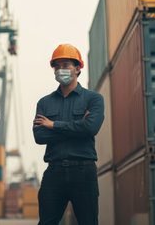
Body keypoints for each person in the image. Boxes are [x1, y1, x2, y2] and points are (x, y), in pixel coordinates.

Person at [33, 44, 104, 225]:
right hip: (53, 172)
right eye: (56, 66)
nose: (60, 70)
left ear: (78, 68)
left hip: (84, 172)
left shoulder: (94, 99)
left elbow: (91, 129)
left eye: (65, 65)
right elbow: (40, 136)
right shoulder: (44, 103)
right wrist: (78, 127)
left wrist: (53, 124)